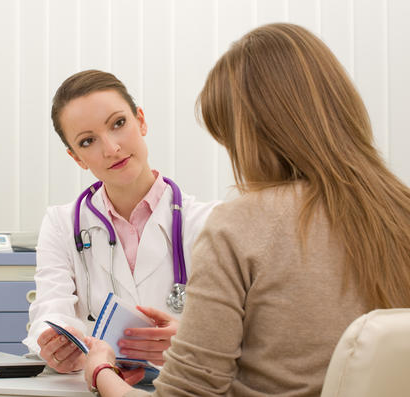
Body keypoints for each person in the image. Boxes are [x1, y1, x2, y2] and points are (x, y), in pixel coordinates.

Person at [83, 23, 410, 397]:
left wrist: (101, 370)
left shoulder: (238, 227)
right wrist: (195, 343)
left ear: (250, 134)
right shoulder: (401, 211)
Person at [22, 70, 221, 374]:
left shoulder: (207, 222)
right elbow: (50, 311)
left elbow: (241, 331)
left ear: (141, 120)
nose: (111, 148)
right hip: (96, 386)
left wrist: (190, 341)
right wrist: (56, 345)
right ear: (76, 157)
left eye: (118, 124)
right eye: (88, 141)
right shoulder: (61, 224)